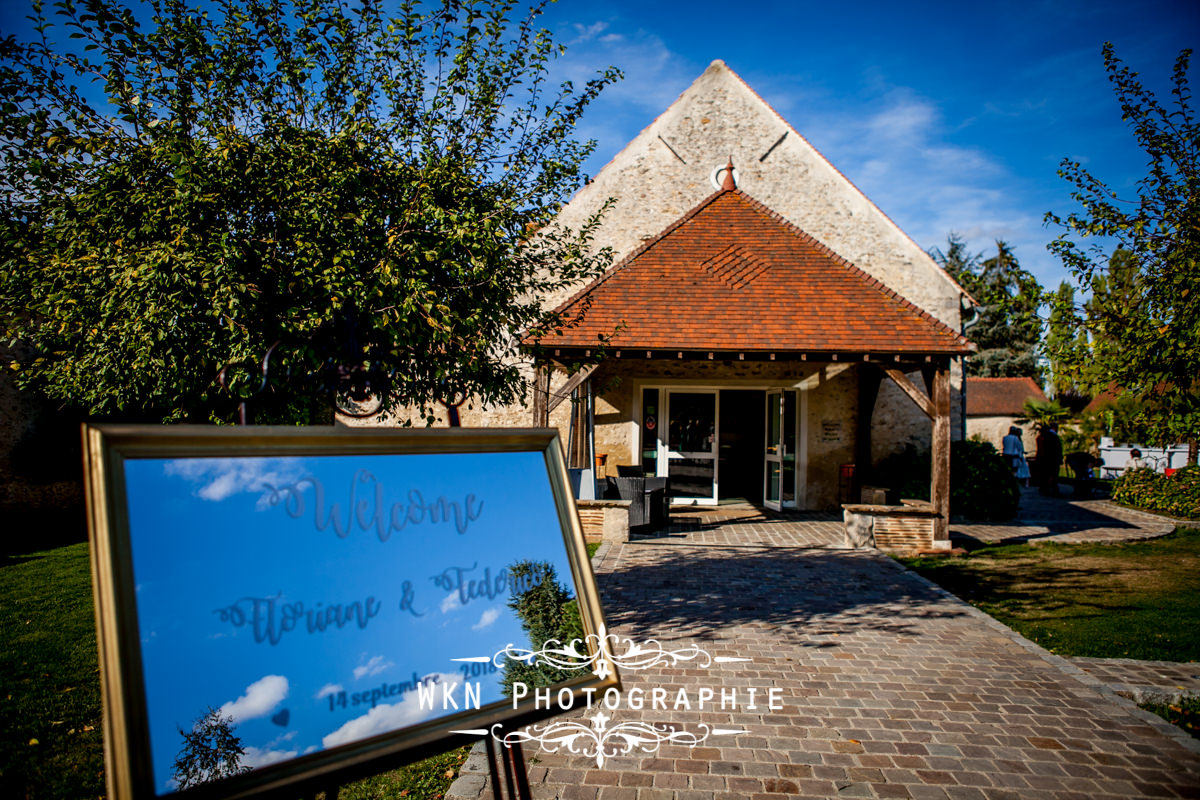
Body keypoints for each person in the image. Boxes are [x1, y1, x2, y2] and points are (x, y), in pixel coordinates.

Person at [1035, 424, 1063, 496]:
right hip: (1052, 459)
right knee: (1054, 475)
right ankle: (1053, 489)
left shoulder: (1042, 437)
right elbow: (1057, 449)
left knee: (1045, 474)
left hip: (1045, 458)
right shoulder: (1053, 436)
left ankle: (1045, 488)